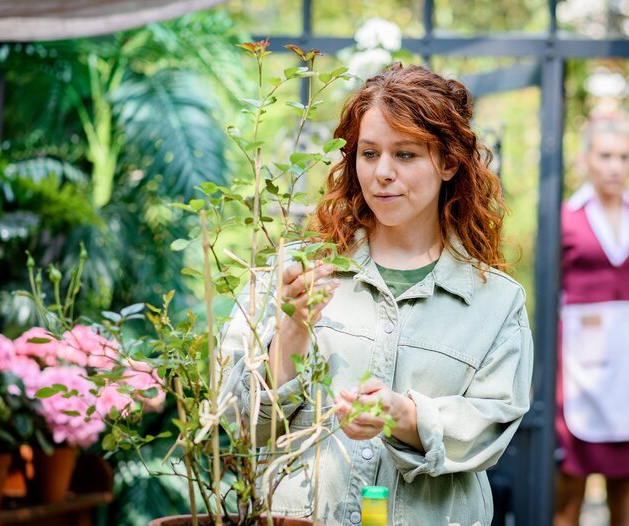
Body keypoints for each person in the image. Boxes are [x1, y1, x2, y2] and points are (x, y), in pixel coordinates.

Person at [221, 63, 533, 526]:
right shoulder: (295, 274)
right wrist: (292, 330)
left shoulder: (496, 302)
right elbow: (240, 424)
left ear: (448, 163)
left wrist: (404, 416)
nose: (382, 172)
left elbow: (491, 430)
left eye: (405, 154)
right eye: (369, 153)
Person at [554, 116, 629, 526]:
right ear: (585, 159)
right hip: (577, 368)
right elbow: (550, 298)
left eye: (623, 157)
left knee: (624, 493)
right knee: (568, 494)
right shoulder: (565, 218)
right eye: (605, 156)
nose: (615, 166)